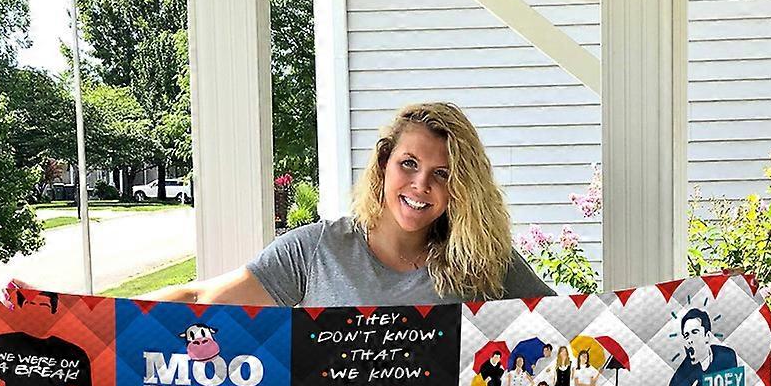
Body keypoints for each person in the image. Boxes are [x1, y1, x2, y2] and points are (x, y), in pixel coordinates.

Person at [148, 103, 554, 308]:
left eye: (443, 174)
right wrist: (110, 322)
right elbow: (201, 300)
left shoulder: (484, 261)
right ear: (383, 163)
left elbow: (567, 325)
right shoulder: (316, 250)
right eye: (409, 164)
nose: (421, 184)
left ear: (462, 187)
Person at [668, 307, 739, 386]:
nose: (689, 340)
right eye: (686, 336)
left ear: (707, 336)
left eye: (694, 332)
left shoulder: (727, 356)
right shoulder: (688, 365)